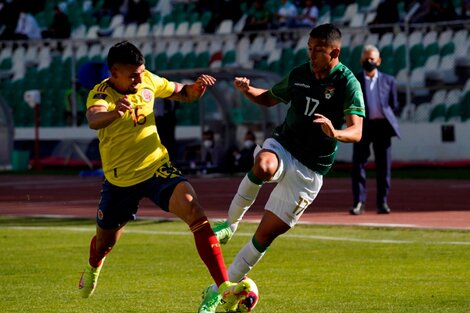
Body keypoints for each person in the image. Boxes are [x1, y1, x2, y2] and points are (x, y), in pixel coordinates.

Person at [198, 23, 365, 313]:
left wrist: (334, 133)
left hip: (311, 170)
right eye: (309, 49)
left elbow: (357, 131)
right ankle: (230, 223)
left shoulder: (348, 83)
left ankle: (215, 293)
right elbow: (269, 98)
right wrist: (248, 89)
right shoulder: (300, 73)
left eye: (318, 51)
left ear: (334, 52)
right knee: (262, 165)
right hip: (284, 146)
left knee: (264, 236)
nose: (311, 55)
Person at [78, 41, 251, 312]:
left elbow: (180, 92)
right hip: (120, 181)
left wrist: (195, 89)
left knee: (195, 212)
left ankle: (224, 287)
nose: (139, 78)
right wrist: (115, 112)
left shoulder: (147, 79)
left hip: (157, 167)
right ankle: (93, 266)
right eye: (132, 75)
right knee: (105, 243)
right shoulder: (100, 93)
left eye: (141, 72)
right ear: (114, 72)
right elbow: (93, 119)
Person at [349, 45, 400, 215]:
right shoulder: (354, 81)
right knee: (358, 165)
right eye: (366, 58)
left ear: (379, 61)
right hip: (362, 127)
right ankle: (359, 203)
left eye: (372, 59)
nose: (369, 61)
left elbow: (394, 104)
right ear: (361, 60)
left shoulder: (389, 80)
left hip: (383, 127)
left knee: (384, 166)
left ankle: (382, 203)